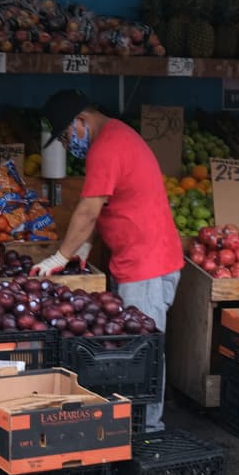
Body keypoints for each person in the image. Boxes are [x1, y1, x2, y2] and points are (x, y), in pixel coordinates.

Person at [35, 89, 184, 432]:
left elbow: (88, 208)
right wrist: (86, 244)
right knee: (136, 346)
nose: (68, 142)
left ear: (82, 121)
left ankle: (148, 431)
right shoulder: (116, 135)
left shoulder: (106, 147)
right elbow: (108, 206)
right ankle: (135, 424)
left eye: (66, 134)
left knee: (143, 350)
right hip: (144, 259)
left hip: (147, 264)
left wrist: (61, 256)